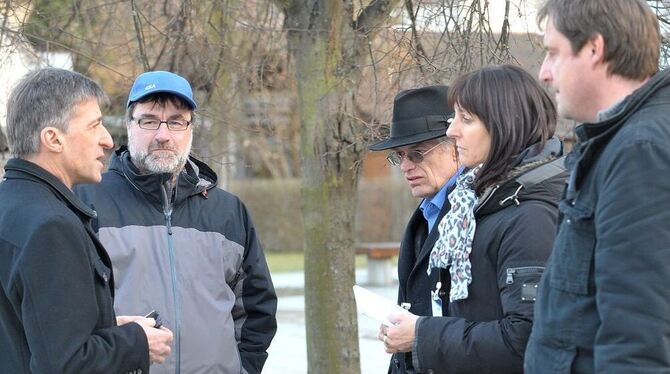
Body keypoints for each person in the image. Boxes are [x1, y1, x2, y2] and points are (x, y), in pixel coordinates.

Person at [75, 70, 277, 374]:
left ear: (190, 128)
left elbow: (255, 309)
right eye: (149, 120)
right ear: (129, 126)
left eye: (176, 120)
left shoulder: (227, 211)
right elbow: (67, 313)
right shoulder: (87, 201)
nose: (163, 134)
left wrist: (243, 368)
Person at [379, 65, 567, 373]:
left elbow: (526, 339)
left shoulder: (529, 214)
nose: (453, 131)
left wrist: (421, 335)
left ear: (504, 124)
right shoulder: (479, 203)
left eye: (465, 119)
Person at [525, 1, 670, 372]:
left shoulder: (641, 151)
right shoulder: (619, 142)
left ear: (593, 48)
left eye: (553, 53)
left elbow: (638, 335)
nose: (544, 73)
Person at [0, 68, 173, 373]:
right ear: (53, 139)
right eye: (94, 125)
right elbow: (64, 364)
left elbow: (28, 331)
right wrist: (136, 342)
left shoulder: (11, 206)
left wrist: (105, 325)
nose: (107, 140)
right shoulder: (50, 227)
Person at [369, 85, 461, 373]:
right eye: (400, 156)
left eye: (418, 154)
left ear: (456, 147)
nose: (406, 166)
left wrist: (418, 334)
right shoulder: (425, 213)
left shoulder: (475, 212)